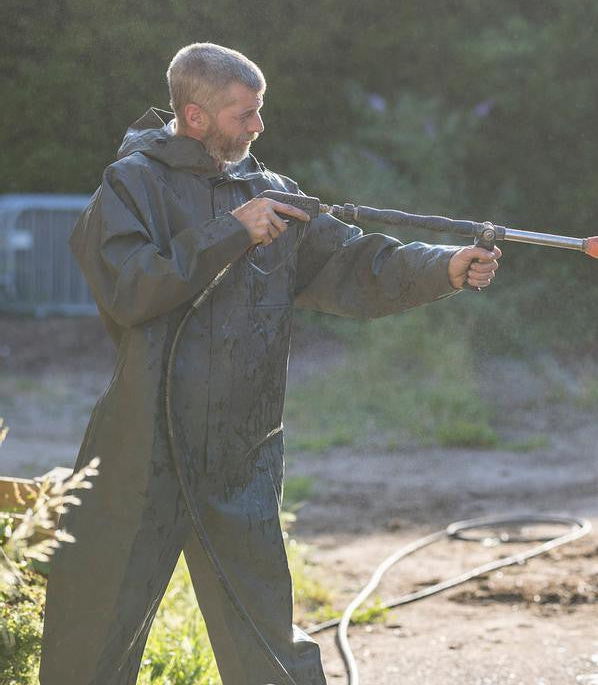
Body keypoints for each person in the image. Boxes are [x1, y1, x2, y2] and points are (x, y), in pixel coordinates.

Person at [38, 42, 500, 685]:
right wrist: (233, 230)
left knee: (265, 636)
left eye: (260, 111)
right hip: (143, 443)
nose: (258, 126)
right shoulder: (131, 184)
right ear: (195, 117)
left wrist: (442, 268)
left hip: (242, 447)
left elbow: (354, 264)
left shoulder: (272, 191)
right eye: (242, 114)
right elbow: (130, 288)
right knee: (95, 627)